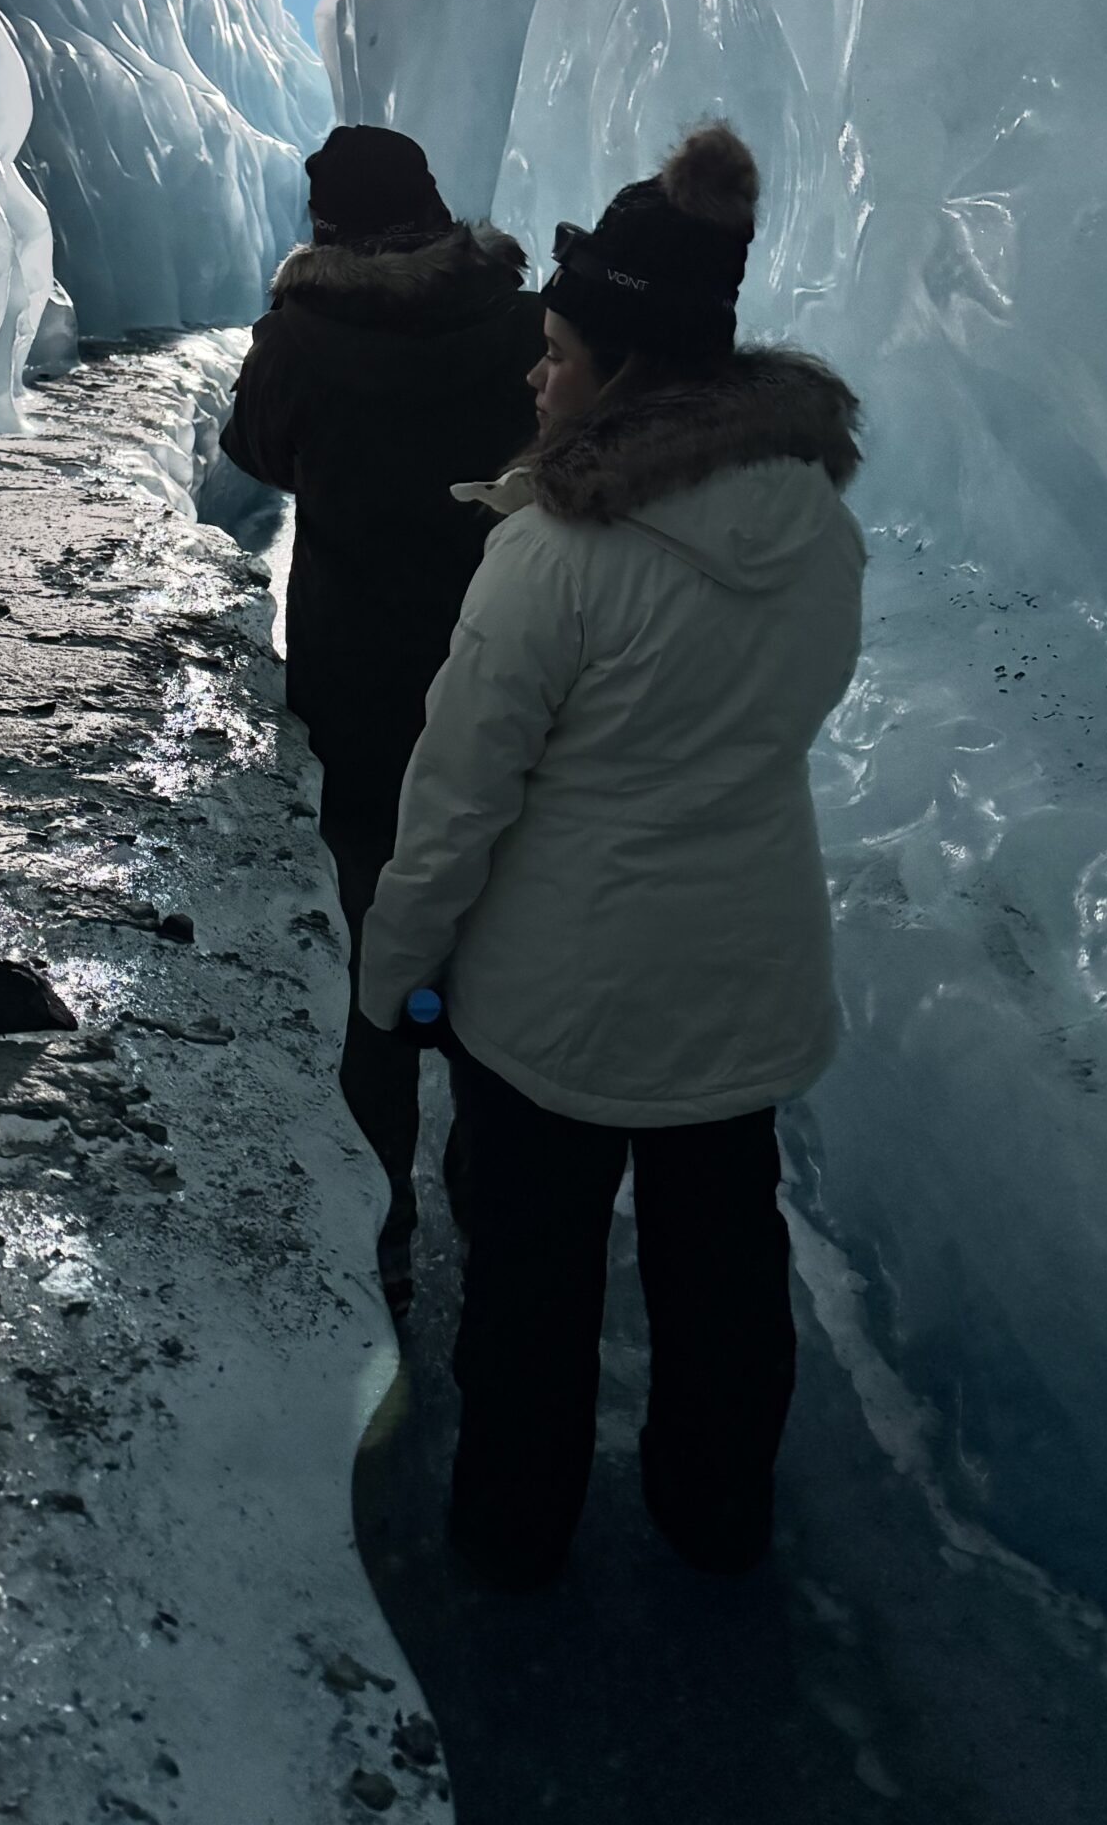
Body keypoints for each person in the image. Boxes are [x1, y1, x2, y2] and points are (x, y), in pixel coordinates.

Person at [357, 123, 865, 1589]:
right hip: (749, 982)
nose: (535, 373)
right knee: (721, 1277)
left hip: (555, 1009)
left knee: (528, 1283)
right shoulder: (817, 523)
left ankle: (515, 1537)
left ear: (625, 369)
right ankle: (718, 1518)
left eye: (560, 349)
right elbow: (793, 716)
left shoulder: (557, 553)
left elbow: (457, 802)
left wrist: (394, 979)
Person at [221, 124, 545, 1311]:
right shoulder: (521, 325)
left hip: (355, 692)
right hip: (505, 675)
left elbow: (251, 446)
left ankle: (387, 1215)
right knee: (498, 929)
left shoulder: (301, 338)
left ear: (327, 226)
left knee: (373, 945)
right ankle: (500, 1192)